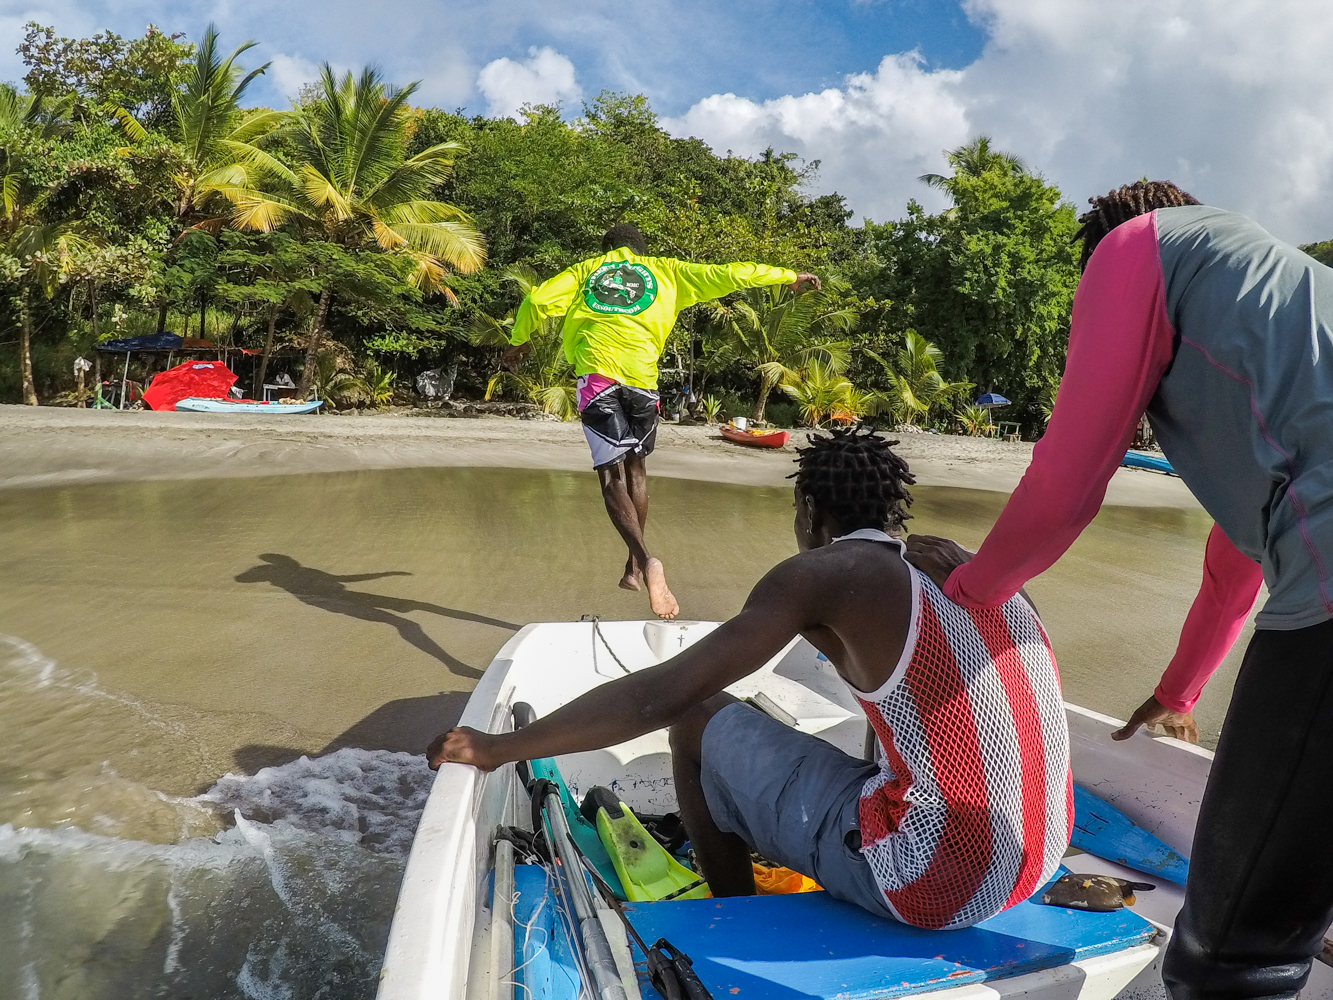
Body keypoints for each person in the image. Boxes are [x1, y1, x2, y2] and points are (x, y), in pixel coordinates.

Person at [905, 181, 1333, 998]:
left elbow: (1068, 477)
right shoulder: (1277, 298)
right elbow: (1239, 556)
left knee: (1236, 955)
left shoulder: (1135, 246)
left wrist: (964, 594)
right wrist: (1177, 690)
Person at [429, 426, 1073, 930]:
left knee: (694, 716)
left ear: (811, 509)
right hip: (1037, 856)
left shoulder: (827, 573)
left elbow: (662, 694)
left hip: (933, 883)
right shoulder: (960, 562)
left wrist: (493, 749)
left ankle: (730, 918)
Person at [503, 223, 820, 620]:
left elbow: (535, 301)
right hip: (643, 386)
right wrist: (788, 276)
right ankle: (631, 568)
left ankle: (646, 560)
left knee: (611, 478)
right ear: (641, 249)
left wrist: (520, 339)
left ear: (608, 251)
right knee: (637, 471)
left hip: (598, 380)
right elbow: (732, 273)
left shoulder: (587, 271)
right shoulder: (668, 270)